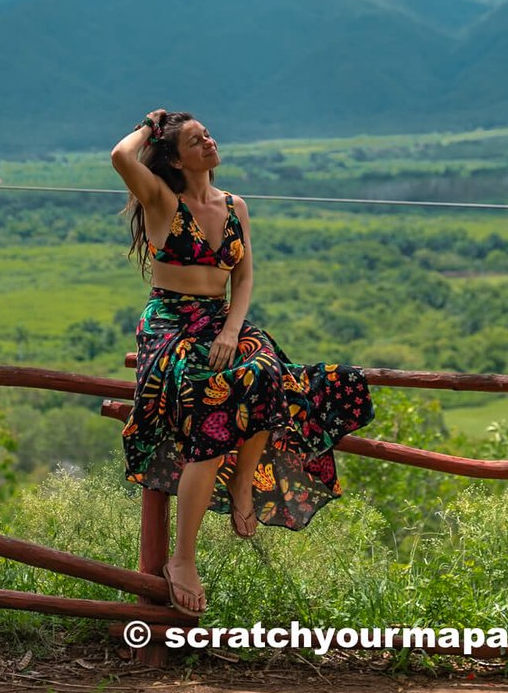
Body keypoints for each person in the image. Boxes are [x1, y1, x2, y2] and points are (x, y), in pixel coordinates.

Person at [110, 109, 376, 617]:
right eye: (194, 139)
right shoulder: (163, 200)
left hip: (218, 321)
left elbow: (245, 277)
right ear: (172, 157)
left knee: (268, 373)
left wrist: (233, 329)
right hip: (171, 323)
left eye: (207, 133)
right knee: (213, 404)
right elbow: (121, 156)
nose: (208, 141)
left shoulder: (235, 205)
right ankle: (182, 559)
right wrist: (151, 123)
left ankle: (242, 481)